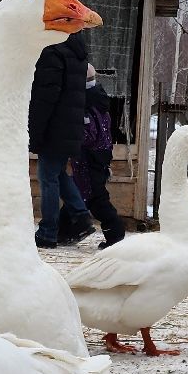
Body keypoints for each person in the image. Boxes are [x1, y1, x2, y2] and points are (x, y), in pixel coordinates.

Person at [30, 29, 95, 248]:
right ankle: (80, 215)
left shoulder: (53, 51)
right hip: (69, 126)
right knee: (57, 173)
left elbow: (46, 97)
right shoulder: (76, 52)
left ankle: (48, 232)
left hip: (54, 127)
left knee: (48, 177)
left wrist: (35, 130)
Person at [62, 62, 127, 248]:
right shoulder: (97, 97)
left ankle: (116, 236)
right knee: (78, 193)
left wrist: (70, 137)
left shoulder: (86, 102)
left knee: (95, 198)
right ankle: (64, 230)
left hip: (90, 156)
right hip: (97, 154)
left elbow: (88, 135)